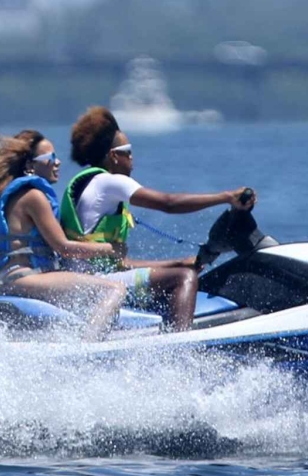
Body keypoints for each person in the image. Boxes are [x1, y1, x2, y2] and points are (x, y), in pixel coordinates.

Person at [60, 106, 256, 331]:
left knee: (180, 270)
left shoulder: (89, 186)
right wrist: (227, 197)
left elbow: (120, 265)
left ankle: (158, 337)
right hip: (96, 283)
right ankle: (179, 351)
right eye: (128, 151)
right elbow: (168, 203)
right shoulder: (110, 181)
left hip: (86, 281)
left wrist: (177, 262)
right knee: (183, 278)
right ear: (114, 156)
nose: (133, 158)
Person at [0, 129, 126, 339]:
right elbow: (64, 248)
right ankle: (88, 347)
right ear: (30, 165)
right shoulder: (34, 197)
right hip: (27, 279)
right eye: (50, 158)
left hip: (11, 280)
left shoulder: (15, 196)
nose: (58, 162)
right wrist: (111, 248)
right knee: (114, 289)